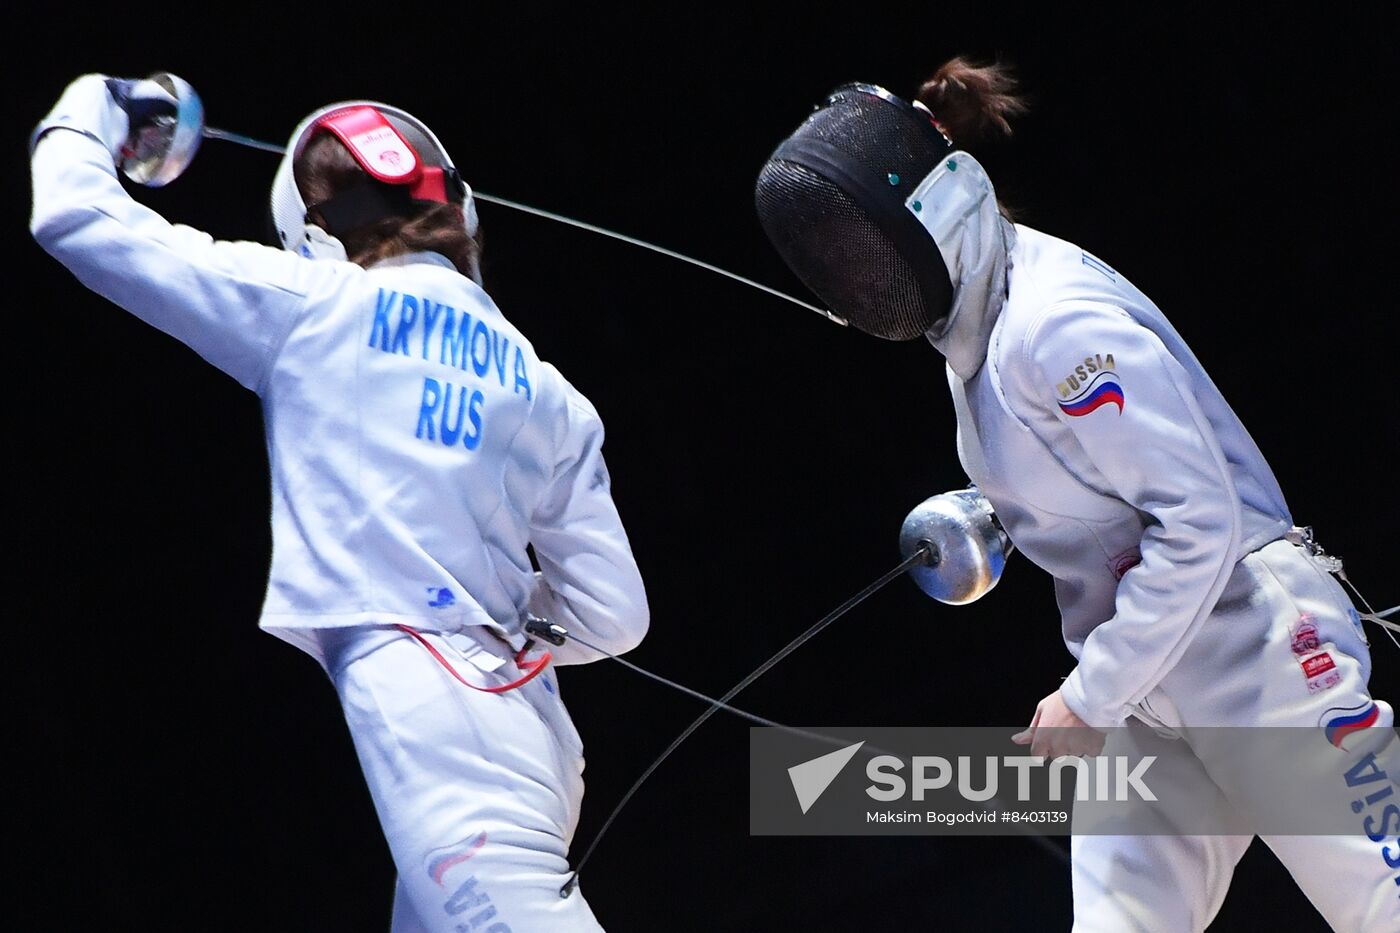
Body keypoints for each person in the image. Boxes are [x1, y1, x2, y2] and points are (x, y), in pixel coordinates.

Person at [753, 58, 1398, 931]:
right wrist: (1005, 515)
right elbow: (1099, 479)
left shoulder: (1052, 325)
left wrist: (1087, 697)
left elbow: (1201, 521)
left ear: (924, 216)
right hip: (1145, 681)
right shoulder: (980, 338)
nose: (856, 285)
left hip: (1256, 650)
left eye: (859, 253)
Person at [30, 74, 649, 932]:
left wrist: (99, 99)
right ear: (464, 213)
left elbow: (73, 218)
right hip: (538, 746)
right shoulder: (551, 392)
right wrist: (496, 613)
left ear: (310, 233)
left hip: (438, 727)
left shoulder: (312, 305)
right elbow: (614, 619)